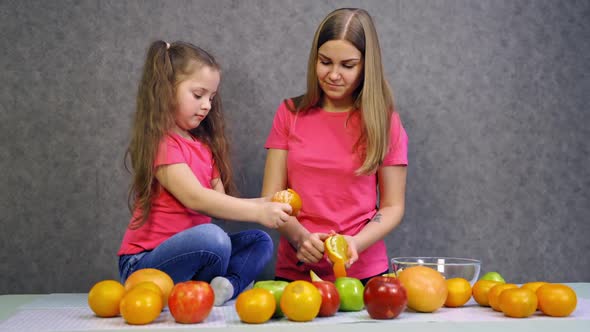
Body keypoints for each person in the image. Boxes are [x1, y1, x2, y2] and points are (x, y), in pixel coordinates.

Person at [117, 40, 292, 306]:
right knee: (214, 238)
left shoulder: (204, 148)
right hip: (144, 266)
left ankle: (225, 288)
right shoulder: (161, 144)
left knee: (259, 240)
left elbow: (220, 204)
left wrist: (266, 203)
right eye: (198, 95)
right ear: (165, 90)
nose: (207, 105)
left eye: (211, 97)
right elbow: (196, 198)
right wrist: (258, 212)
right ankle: (207, 285)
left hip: (201, 255)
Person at [262, 8, 408, 284]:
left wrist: (356, 243)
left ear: (366, 65)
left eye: (347, 65)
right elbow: (272, 196)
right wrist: (299, 237)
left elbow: (392, 206)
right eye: (325, 62)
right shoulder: (289, 113)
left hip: (365, 275)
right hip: (297, 273)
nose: (333, 75)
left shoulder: (385, 122)